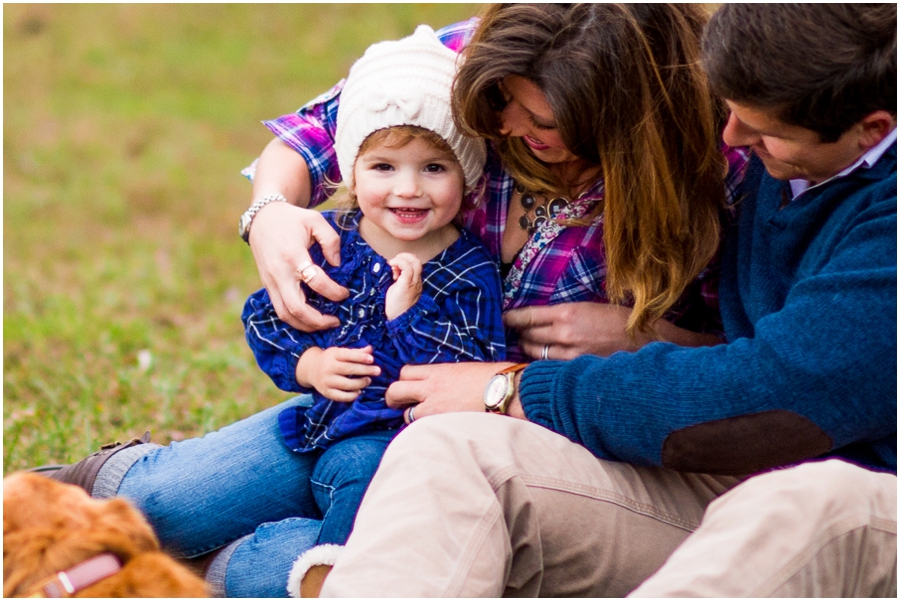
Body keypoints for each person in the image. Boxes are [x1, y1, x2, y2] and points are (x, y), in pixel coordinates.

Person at [36, 5, 748, 598]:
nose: (500, 127)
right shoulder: (480, 62)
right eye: (499, 103)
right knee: (163, 505)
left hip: (521, 432)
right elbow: (325, 130)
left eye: (539, 119)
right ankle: (93, 488)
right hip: (369, 402)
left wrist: (642, 337)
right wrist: (272, 211)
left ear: (618, 123)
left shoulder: (730, 156)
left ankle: (202, 570)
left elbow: (764, 370)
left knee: (305, 564)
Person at [313, 4, 898, 597]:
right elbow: (409, 80)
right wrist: (271, 209)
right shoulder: (794, 94)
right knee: (453, 451)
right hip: (728, 475)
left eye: (763, 130)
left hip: (850, 492)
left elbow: (775, 395)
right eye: (733, 112)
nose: (732, 140)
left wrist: (512, 389)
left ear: (872, 129)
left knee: (803, 504)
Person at [241, 23, 505, 594]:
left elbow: (472, 368)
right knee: (184, 503)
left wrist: (406, 314)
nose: (408, 188)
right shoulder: (333, 243)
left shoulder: (469, 269)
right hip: (312, 429)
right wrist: (310, 366)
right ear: (352, 172)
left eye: (434, 168)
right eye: (383, 167)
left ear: (467, 176)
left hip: (396, 441)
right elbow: (264, 317)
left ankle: (334, 576)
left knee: (363, 476)